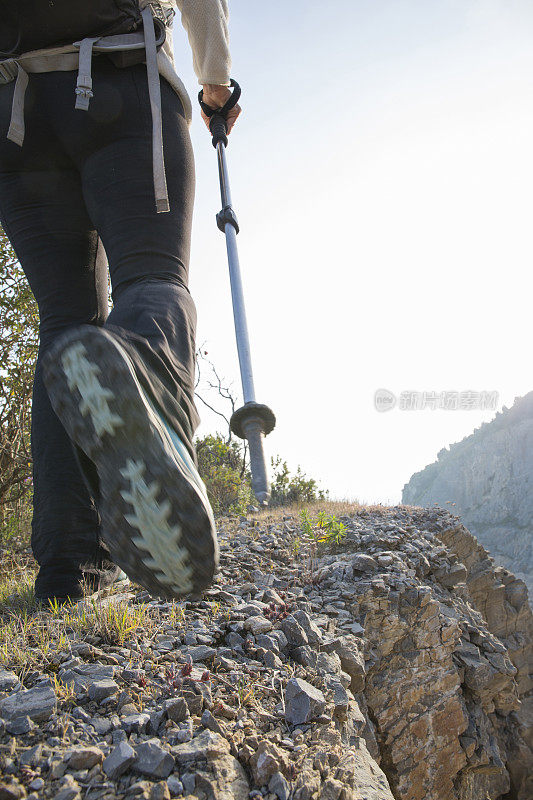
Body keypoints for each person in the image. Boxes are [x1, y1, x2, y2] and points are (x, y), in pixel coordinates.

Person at [0, 0, 240, 604]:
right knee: (153, 277)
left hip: (13, 114)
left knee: (64, 327)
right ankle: (144, 369)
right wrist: (216, 81)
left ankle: (67, 568)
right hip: (118, 76)